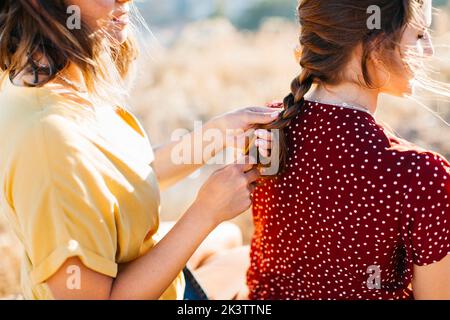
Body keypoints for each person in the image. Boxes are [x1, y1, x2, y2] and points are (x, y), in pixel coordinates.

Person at [0, 0, 279, 300]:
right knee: (252, 264)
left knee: (229, 238)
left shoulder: (60, 85)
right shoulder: (51, 143)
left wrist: (217, 135)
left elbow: (124, 179)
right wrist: (206, 212)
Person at [248, 0, 450, 300]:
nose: (429, 50)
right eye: (420, 35)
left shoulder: (269, 125)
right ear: (376, 45)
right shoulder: (421, 175)